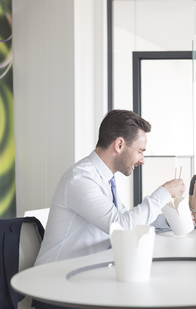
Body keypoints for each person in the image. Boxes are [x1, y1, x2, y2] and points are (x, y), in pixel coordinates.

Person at [35, 110, 185, 266]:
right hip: (55, 278)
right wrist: (164, 193)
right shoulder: (80, 180)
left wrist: (165, 221)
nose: (142, 160)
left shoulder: (105, 179)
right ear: (119, 145)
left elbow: (129, 220)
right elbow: (121, 227)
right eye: (140, 151)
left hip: (85, 273)